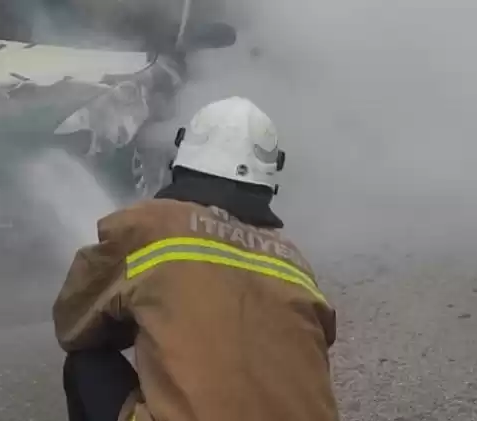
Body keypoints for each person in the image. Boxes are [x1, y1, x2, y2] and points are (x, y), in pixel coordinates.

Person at [53, 96, 340, 421]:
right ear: (268, 182)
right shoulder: (294, 262)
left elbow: (72, 325)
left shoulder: (148, 226)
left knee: (88, 362)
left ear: (182, 159)